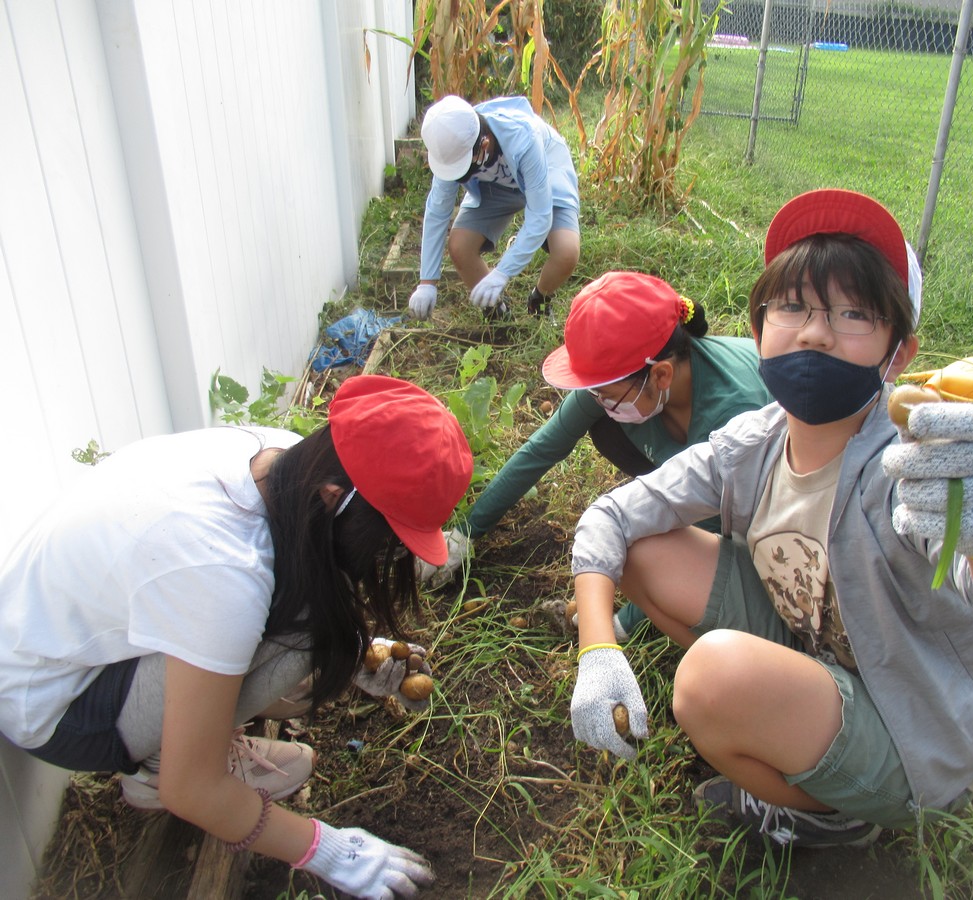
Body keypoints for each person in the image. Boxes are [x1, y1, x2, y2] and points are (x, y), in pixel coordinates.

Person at [567, 189, 973, 848]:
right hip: (820, 656)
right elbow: (611, 518)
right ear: (757, 329)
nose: (814, 330)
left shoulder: (907, 467)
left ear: (899, 352)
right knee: (643, 549)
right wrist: (598, 649)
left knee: (707, 679)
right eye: (793, 306)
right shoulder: (751, 443)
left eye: (853, 312)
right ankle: (773, 714)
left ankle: (838, 814)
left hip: (915, 728)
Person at [0, 375, 474, 898]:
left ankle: (188, 731)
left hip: (77, 645)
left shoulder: (284, 459)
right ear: (335, 496)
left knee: (317, 606)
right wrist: (330, 851)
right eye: (387, 537)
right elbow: (194, 789)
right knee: (311, 626)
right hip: (58, 705)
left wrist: (360, 654)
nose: (386, 555)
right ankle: (154, 770)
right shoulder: (226, 574)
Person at [422, 271, 773, 641]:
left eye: (605, 393)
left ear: (661, 376)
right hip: (685, 448)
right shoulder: (618, 382)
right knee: (605, 426)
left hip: (756, 498)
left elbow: (715, 530)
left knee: (668, 547)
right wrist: (465, 533)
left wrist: (624, 622)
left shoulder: (733, 415)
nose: (597, 400)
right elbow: (543, 448)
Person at [407, 94, 581, 321]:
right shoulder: (451, 147)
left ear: (484, 145)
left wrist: (502, 272)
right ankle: (496, 313)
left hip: (547, 172)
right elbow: (437, 211)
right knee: (460, 246)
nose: (459, 175)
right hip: (495, 186)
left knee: (566, 252)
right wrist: (427, 282)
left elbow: (539, 216)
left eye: (464, 170)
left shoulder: (523, 138)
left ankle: (540, 299)